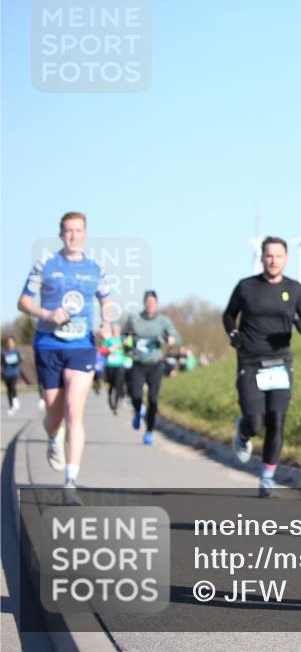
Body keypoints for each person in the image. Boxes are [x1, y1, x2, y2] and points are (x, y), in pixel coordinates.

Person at [18, 211, 113, 502]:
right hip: (48, 344)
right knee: (54, 416)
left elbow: (106, 301)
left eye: (78, 230)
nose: (73, 235)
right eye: (68, 230)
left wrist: (107, 324)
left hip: (82, 346)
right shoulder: (45, 264)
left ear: (86, 234)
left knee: (74, 410)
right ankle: (53, 436)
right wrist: (47, 314)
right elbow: (23, 301)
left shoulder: (95, 269)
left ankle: (70, 483)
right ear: (61, 234)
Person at [223, 236, 301, 497]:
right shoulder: (246, 286)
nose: (273, 260)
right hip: (250, 361)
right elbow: (228, 315)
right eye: (269, 255)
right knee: (256, 423)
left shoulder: (294, 289)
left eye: (278, 256)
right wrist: (233, 334)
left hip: (280, 363)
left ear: (286, 259)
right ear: (262, 258)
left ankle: (267, 477)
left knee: (277, 420)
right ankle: (243, 432)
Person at [123, 290, 180, 445]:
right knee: (136, 396)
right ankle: (137, 411)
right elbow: (125, 335)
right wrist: (127, 345)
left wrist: (171, 339)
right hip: (138, 363)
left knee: (153, 399)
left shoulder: (163, 321)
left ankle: (149, 432)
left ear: (157, 304)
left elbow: (177, 338)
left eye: (153, 303)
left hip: (155, 364)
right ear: (144, 303)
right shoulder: (134, 319)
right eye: (148, 302)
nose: (150, 305)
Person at [99, 324, 127, 414]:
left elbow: (130, 348)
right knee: (111, 384)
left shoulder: (122, 340)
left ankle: (116, 405)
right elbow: (102, 351)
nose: (116, 331)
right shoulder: (109, 340)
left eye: (117, 330)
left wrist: (126, 345)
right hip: (110, 365)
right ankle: (110, 400)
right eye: (114, 330)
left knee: (118, 384)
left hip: (120, 365)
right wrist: (110, 349)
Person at [2, 337, 31, 416]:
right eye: (8, 342)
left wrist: (19, 359)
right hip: (6, 373)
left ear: (14, 343)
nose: (10, 343)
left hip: (14, 372)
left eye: (11, 342)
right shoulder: (4, 352)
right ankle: (11, 406)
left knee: (13, 386)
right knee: (9, 390)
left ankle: (16, 402)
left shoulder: (17, 351)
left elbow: (21, 359)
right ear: (6, 343)